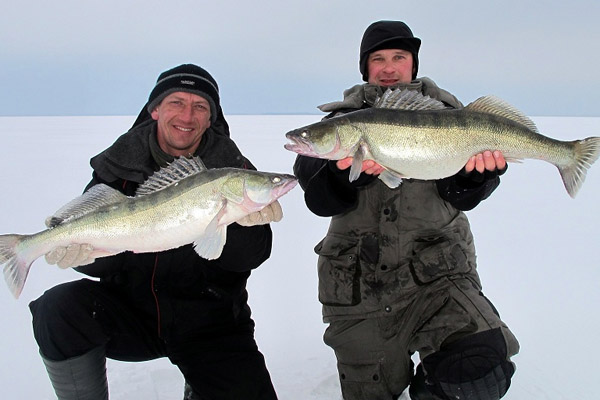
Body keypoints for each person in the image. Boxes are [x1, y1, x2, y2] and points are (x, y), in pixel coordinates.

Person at [293, 21, 520, 400]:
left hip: (438, 277)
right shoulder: (339, 123)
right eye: (378, 58)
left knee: (479, 374)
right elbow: (318, 198)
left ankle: (433, 386)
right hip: (359, 287)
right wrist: (344, 174)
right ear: (365, 67)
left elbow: (462, 197)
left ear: (413, 65)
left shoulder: (449, 116)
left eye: (399, 57)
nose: (388, 67)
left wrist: (474, 179)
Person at [29, 64, 280, 400]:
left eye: (200, 107)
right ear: (155, 109)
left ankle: (202, 384)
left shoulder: (233, 171)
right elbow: (104, 259)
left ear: (211, 119)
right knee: (57, 308)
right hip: (133, 313)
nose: (187, 116)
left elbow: (251, 256)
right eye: (177, 102)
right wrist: (81, 254)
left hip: (211, 323)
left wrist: (246, 225)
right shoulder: (118, 165)